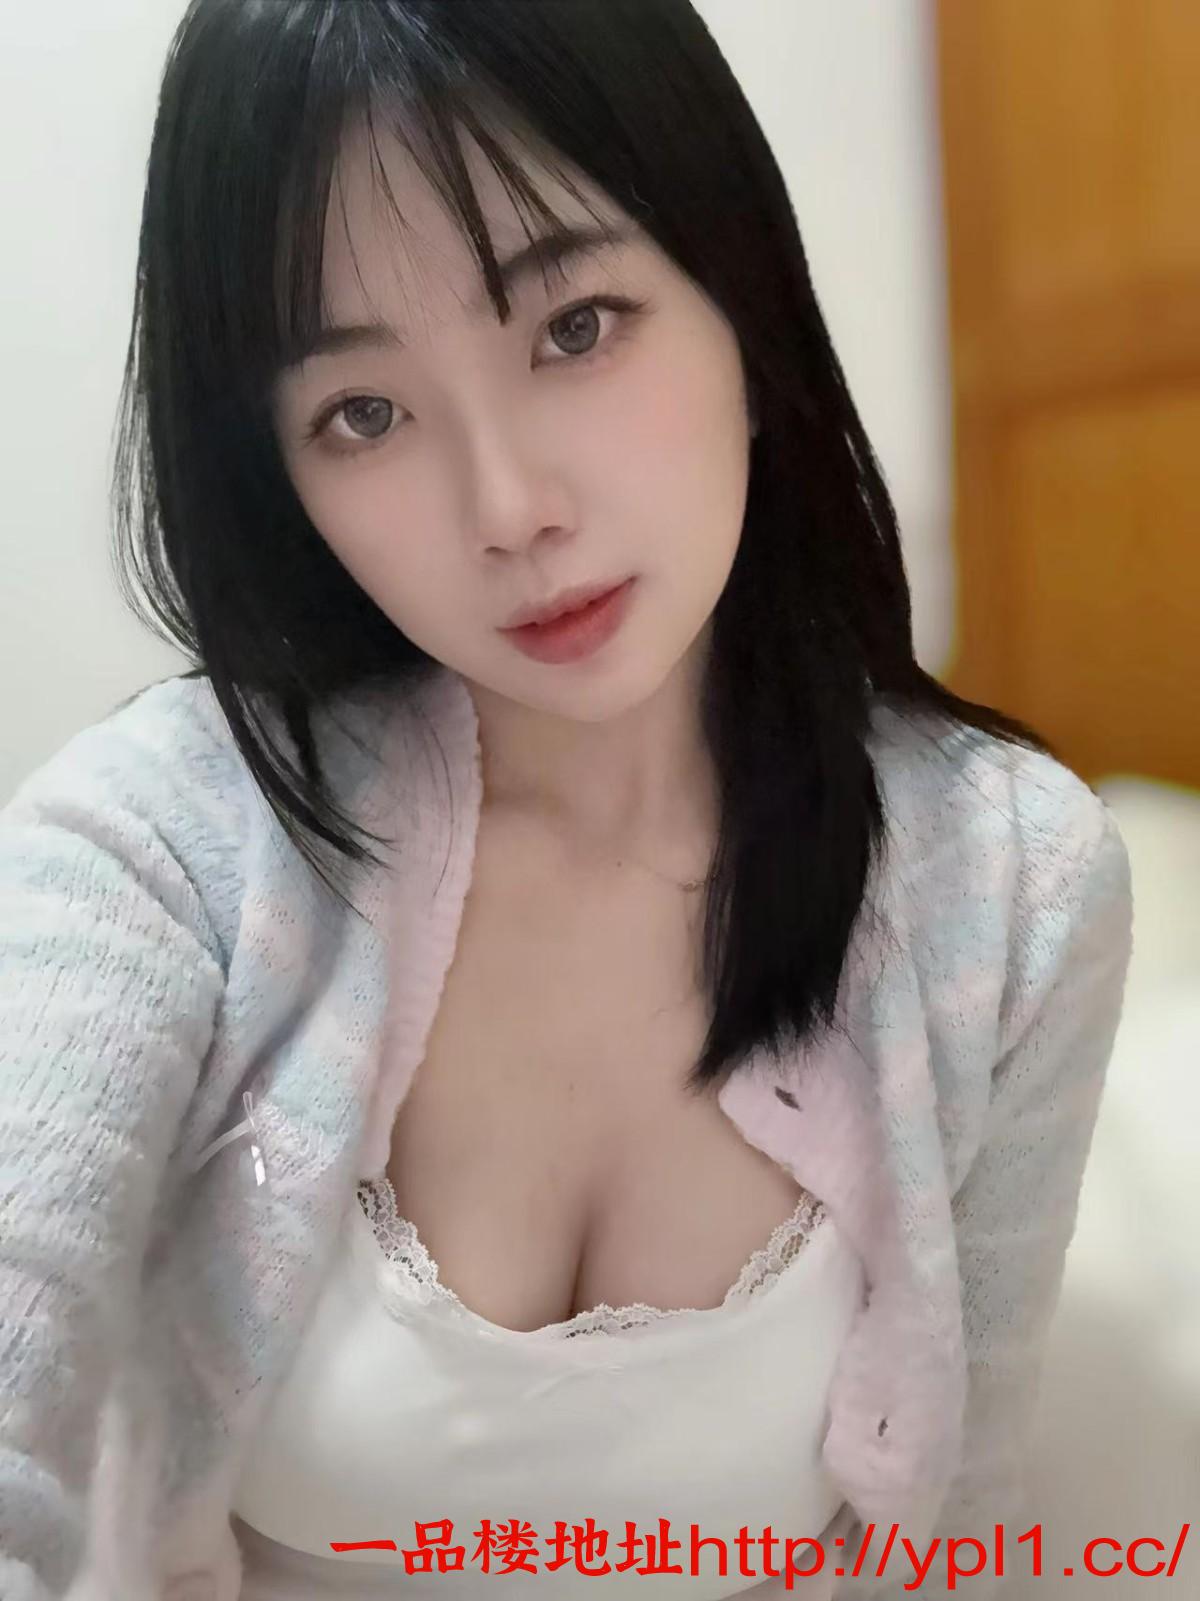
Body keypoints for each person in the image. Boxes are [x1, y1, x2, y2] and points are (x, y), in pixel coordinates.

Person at [0, 2, 1133, 1598]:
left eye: (577, 326)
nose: (509, 507)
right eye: (363, 413)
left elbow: (957, 1535)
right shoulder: (167, 842)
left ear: (743, 303)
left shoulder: (1013, 884)